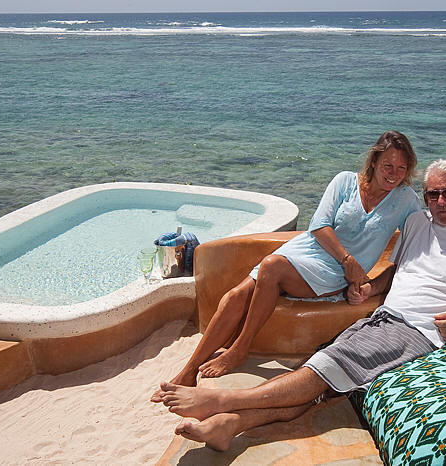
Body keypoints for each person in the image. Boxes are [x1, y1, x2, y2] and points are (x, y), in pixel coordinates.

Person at [156, 159, 446, 452]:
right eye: (433, 194)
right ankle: (231, 426)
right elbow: (397, 270)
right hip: (382, 319)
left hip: (418, 333)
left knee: (318, 370)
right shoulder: (418, 223)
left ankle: (221, 402)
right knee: (320, 381)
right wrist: (370, 288)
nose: (441, 202)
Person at [151, 130, 420, 402]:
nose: (393, 173)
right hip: (309, 250)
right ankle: (188, 371)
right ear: (374, 161)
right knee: (235, 296)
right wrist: (348, 260)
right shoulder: (345, 181)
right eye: (388, 165)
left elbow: (414, 243)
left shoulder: (406, 199)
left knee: (272, 267)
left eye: (401, 168)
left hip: (332, 273)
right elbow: (319, 225)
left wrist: (371, 285)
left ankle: (240, 348)